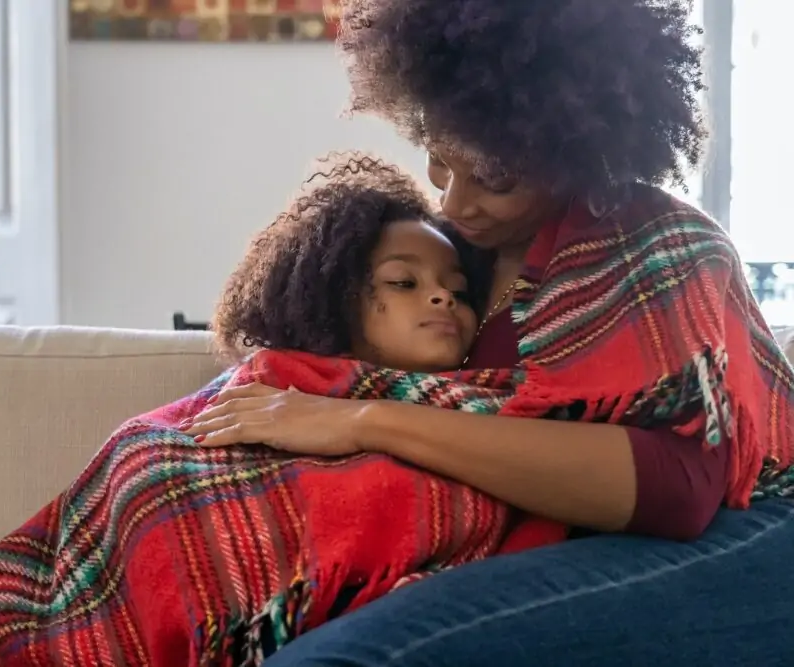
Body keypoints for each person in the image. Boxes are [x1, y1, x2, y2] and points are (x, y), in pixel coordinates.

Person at [184, 1, 794, 664]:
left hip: (748, 539)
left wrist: (367, 420)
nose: (453, 203)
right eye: (440, 162)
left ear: (576, 155)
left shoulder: (659, 244)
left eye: (494, 179)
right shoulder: (453, 262)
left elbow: (679, 488)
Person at [211, 151, 488, 374]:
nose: (444, 296)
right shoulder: (270, 385)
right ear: (333, 303)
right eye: (404, 282)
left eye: (458, 291)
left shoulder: (495, 405)